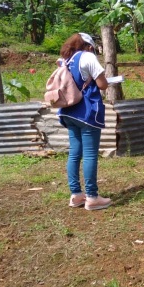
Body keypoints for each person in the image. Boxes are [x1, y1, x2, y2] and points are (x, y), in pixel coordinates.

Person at [57, 32, 111, 211]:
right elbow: (103, 84)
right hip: (86, 112)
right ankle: (92, 197)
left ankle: (76, 195)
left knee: (74, 154)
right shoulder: (87, 57)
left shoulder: (66, 60)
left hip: (69, 111)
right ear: (88, 46)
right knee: (89, 155)